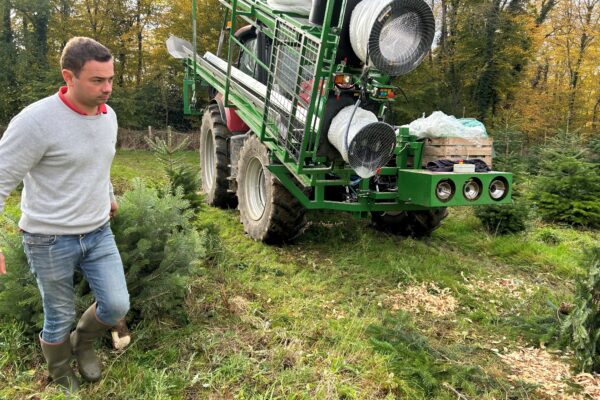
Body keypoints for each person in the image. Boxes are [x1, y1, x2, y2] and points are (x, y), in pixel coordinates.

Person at [0, 37, 130, 392]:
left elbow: (98, 164)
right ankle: (60, 371)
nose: (107, 89)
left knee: (116, 303)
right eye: (97, 81)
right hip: (48, 238)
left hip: (98, 231)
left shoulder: (109, 116)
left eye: (110, 79)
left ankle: (83, 343)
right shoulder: (36, 122)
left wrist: (109, 195)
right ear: (68, 77)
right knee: (59, 316)